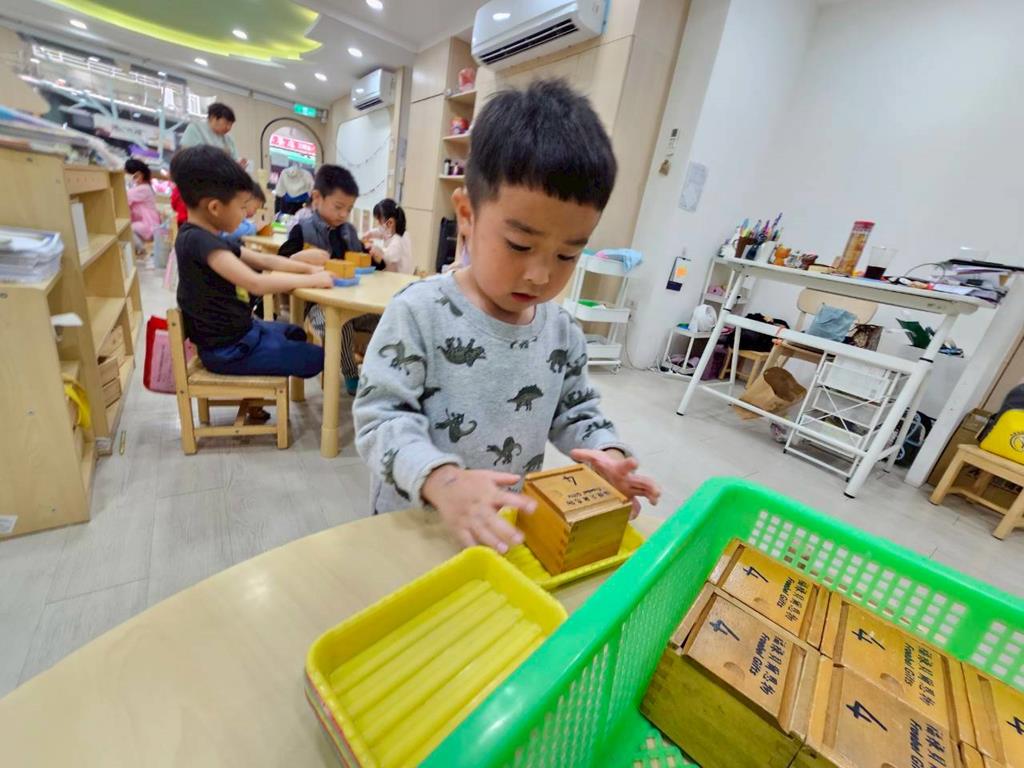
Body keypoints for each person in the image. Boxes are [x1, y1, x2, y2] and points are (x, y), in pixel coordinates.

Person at [353, 79, 660, 552]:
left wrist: (608, 453)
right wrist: (444, 481)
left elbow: (576, 411)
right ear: (467, 215)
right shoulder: (418, 312)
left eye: (567, 255)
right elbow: (380, 419)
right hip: (413, 528)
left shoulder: (562, 333)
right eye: (519, 244)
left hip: (501, 529)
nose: (540, 275)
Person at [170, 145, 333, 382]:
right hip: (228, 351)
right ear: (215, 207)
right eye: (242, 207)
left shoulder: (209, 237)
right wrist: (313, 280)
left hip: (243, 333)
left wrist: (309, 269)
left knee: (296, 332)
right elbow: (256, 283)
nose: (245, 214)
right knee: (317, 358)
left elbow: (264, 260)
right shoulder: (198, 241)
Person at [278, 164, 375, 395]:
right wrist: (301, 257)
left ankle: (377, 374)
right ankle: (351, 374)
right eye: (338, 207)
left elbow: (365, 261)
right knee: (339, 325)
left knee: (387, 318)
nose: (343, 214)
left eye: (348, 209)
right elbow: (281, 262)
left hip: (354, 301)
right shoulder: (303, 230)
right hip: (317, 306)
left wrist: (376, 257)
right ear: (317, 198)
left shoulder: (348, 231)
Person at [363, 198, 413, 274]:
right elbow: (381, 232)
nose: (378, 223)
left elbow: (389, 257)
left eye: (380, 220)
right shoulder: (392, 229)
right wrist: (370, 233)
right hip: (395, 275)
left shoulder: (399, 239)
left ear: (390, 222)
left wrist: (377, 250)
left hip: (401, 277)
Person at [124, 158, 161, 255]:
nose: (126, 177)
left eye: (128, 174)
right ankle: (140, 250)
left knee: (126, 229)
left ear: (139, 175)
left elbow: (124, 197)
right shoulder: (145, 187)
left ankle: (141, 250)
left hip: (148, 225)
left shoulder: (143, 189)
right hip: (148, 224)